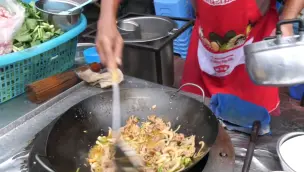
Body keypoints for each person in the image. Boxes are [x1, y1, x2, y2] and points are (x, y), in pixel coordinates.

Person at [96, 0, 304, 115]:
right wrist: (106, 17)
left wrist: (286, 21)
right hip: (206, 44)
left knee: (254, 126)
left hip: (255, 49)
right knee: (191, 117)